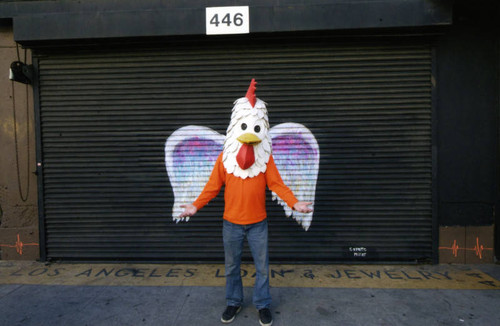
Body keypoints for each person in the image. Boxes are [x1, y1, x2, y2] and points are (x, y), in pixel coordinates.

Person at [178, 79, 313, 326]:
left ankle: (262, 305)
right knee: (231, 267)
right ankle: (234, 302)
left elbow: (277, 185)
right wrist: (195, 206)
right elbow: (212, 187)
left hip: (258, 225)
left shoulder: (265, 159)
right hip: (231, 224)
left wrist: (294, 204)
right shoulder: (225, 159)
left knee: (262, 269)